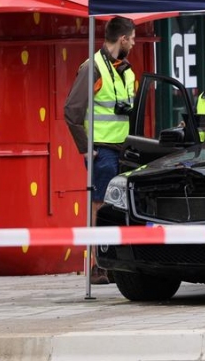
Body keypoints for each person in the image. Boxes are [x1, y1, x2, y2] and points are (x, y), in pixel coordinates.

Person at [64, 16, 136, 285]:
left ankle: (119, 262)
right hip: (102, 151)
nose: (134, 43)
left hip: (124, 149)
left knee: (121, 206)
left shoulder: (126, 70)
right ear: (123, 39)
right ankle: (98, 265)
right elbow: (71, 111)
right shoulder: (92, 68)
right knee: (100, 206)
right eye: (133, 38)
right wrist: (85, 149)